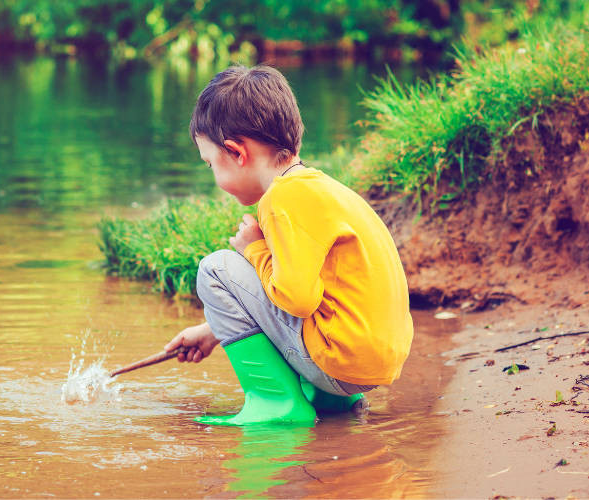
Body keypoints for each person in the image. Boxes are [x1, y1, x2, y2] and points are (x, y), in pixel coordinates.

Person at [165, 65, 414, 426]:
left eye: (209, 164)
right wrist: (213, 331)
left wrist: (254, 250)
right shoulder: (322, 189)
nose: (213, 175)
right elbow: (322, 293)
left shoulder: (281, 200)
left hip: (340, 363)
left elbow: (297, 299)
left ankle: (276, 404)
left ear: (236, 153)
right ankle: (330, 401)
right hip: (372, 364)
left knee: (216, 269)